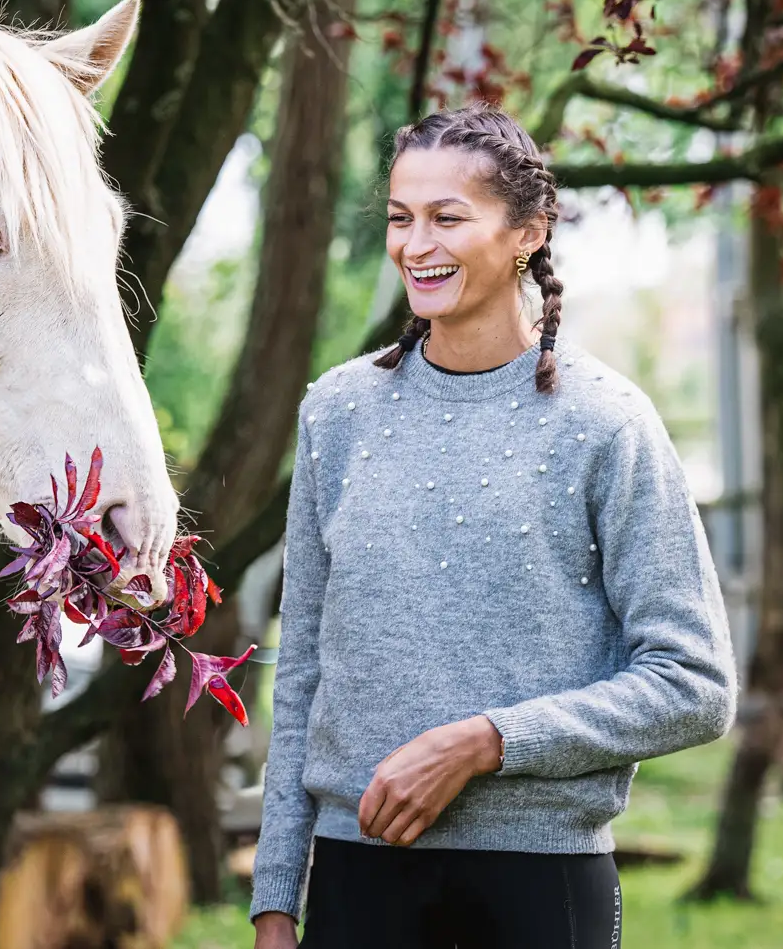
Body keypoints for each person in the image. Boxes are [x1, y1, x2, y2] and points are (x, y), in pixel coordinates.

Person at [249, 105, 739, 949]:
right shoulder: (338, 412)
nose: (416, 244)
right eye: (402, 218)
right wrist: (275, 898)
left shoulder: (606, 422)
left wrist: (488, 742)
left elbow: (695, 684)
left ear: (528, 231)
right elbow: (301, 675)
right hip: (356, 877)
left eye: (448, 217)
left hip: (537, 886)